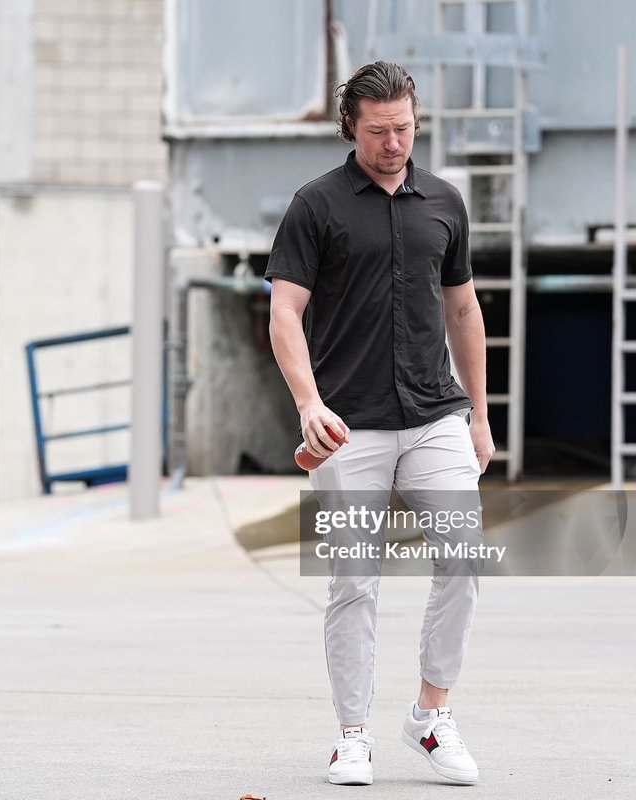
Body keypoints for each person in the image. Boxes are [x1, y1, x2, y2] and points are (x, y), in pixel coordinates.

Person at [266, 60, 493, 786]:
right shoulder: (315, 205)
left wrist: (481, 416)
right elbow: (284, 314)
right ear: (349, 127)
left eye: (403, 128)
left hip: (435, 415)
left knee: (463, 560)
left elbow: (462, 310)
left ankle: (430, 716)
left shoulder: (444, 202)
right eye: (377, 131)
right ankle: (352, 736)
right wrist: (308, 402)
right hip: (347, 427)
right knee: (354, 582)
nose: (393, 143)